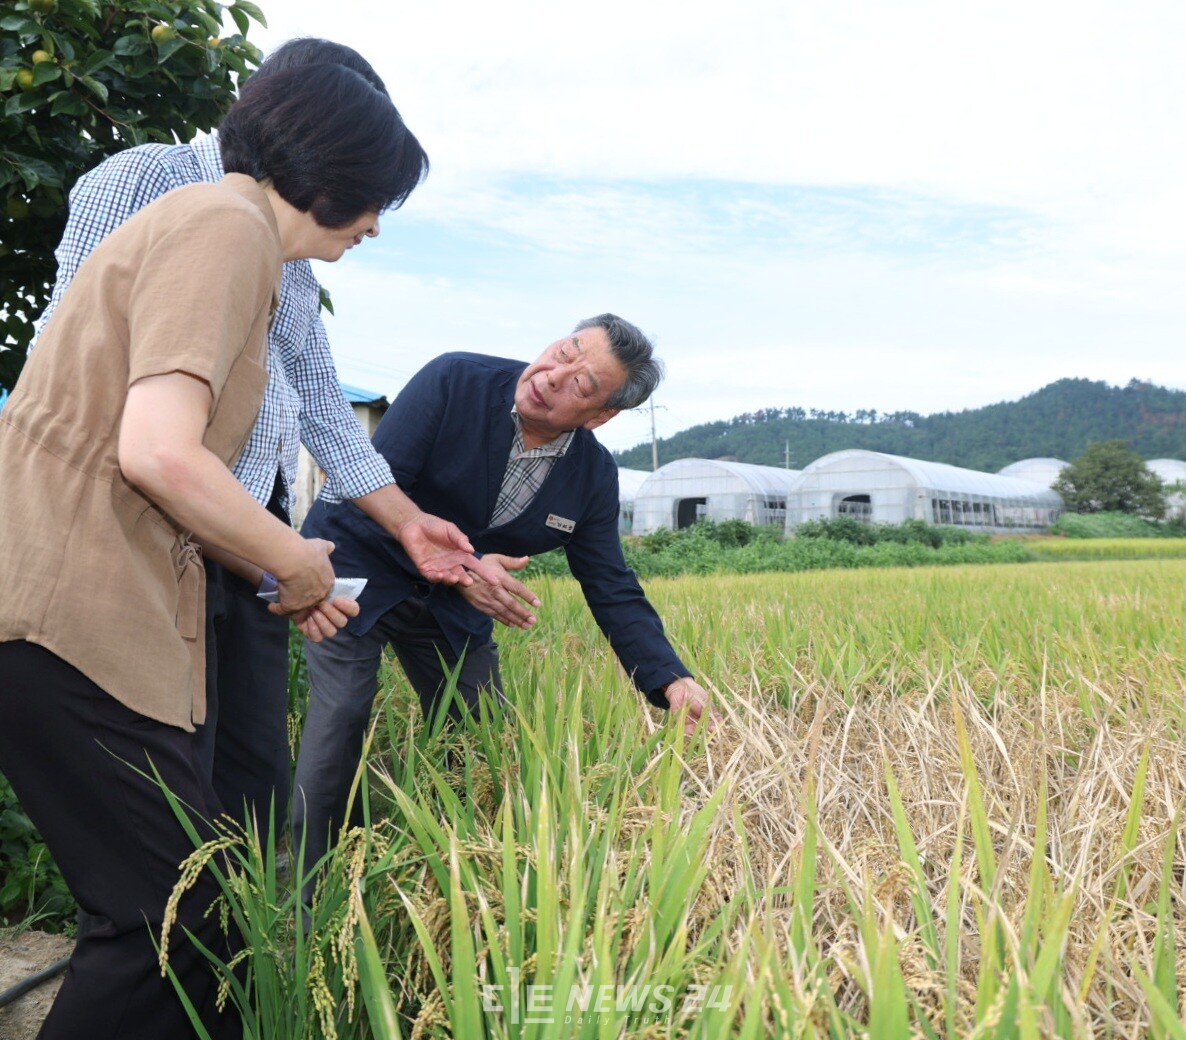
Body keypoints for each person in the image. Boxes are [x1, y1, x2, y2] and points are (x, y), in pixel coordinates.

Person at [0, 63, 421, 1039]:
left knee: (197, 904)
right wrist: (299, 554)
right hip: (67, 605)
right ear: (331, 169)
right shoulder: (224, 224)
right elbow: (154, 450)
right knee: (166, 913)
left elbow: (216, 446)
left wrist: (271, 566)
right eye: (375, 199)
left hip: (92, 604)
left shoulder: (244, 244)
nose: (373, 225)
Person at [40, 37, 496, 840]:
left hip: (244, 532)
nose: (370, 218)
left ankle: (242, 949)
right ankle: (164, 940)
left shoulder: (289, 244)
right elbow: (74, 350)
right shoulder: (151, 179)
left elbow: (321, 401)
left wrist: (405, 523)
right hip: (143, 527)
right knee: (164, 782)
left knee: (249, 773)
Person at [292, 314, 716, 890]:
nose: (552, 375)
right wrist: (467, 567)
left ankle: (456, 865)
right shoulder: (455, 381)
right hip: (359, 563)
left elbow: (610, 583)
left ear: (600, 416)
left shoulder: (591, 476)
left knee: (483, 731)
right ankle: (304, 881)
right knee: (340, 715)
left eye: (583, 384)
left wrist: (668, 677)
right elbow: (376, 484)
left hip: (452, 606)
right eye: (565, 351)